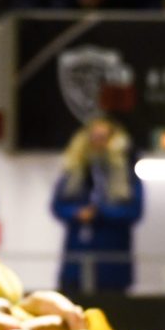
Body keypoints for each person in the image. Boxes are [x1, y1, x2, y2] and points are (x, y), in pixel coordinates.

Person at [51, 117, 143, 293]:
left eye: (103, 137)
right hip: (76, 261)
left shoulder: (126, 176)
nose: (98, 143)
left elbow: (134, 211)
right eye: (94, 137)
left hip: (112, 263)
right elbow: (57, 205)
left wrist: (101, 212)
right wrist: (77, 213)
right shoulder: (74, 172)